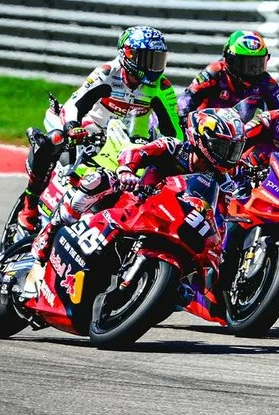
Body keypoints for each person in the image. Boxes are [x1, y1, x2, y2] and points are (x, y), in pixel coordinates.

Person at [25, 108, 248, 299]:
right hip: (135, 198)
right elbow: (137, 153)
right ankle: (49, 234)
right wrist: (126, 171)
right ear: (203, 139)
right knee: (97, 180)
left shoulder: (224, 183)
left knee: (191, 282)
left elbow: (219, 217)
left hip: (172, 223)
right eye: (223, 147)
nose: (229, 156)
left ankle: (165, 286)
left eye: (234, 150)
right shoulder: (175, 147)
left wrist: (216, 243)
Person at [16, 26, 181, 231]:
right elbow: (74, 104)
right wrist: (73, 127)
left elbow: (174, 132)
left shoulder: (162, 88)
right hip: (91, 132)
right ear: (128, 55)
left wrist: (172, 150)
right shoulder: (107, 73)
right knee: (54, 139)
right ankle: (30, 204)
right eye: (148, 59)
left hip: (128, 143)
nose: (153, 67)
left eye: (157, 59)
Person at [179, 30, 279, 124]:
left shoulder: (267, 83)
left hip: (244, 133)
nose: (253, 71)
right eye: (246, 64)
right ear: (230, 59)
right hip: (208, 129)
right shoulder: (214, 72)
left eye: (258, 63)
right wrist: (184, 116)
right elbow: (188, 96)